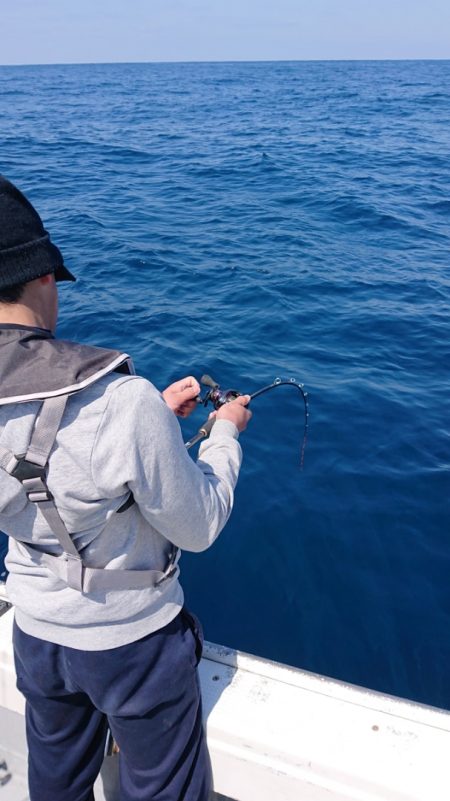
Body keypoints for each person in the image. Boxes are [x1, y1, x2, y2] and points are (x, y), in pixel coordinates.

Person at [0, 175, 252, 801]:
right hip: (130, 644)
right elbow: (199, 527)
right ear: (44, 277)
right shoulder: (120, 402)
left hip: (35, 635)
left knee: (55, 785)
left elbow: (45, 465)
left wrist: (154, 424)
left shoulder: (129, 409)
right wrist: (224, 435)